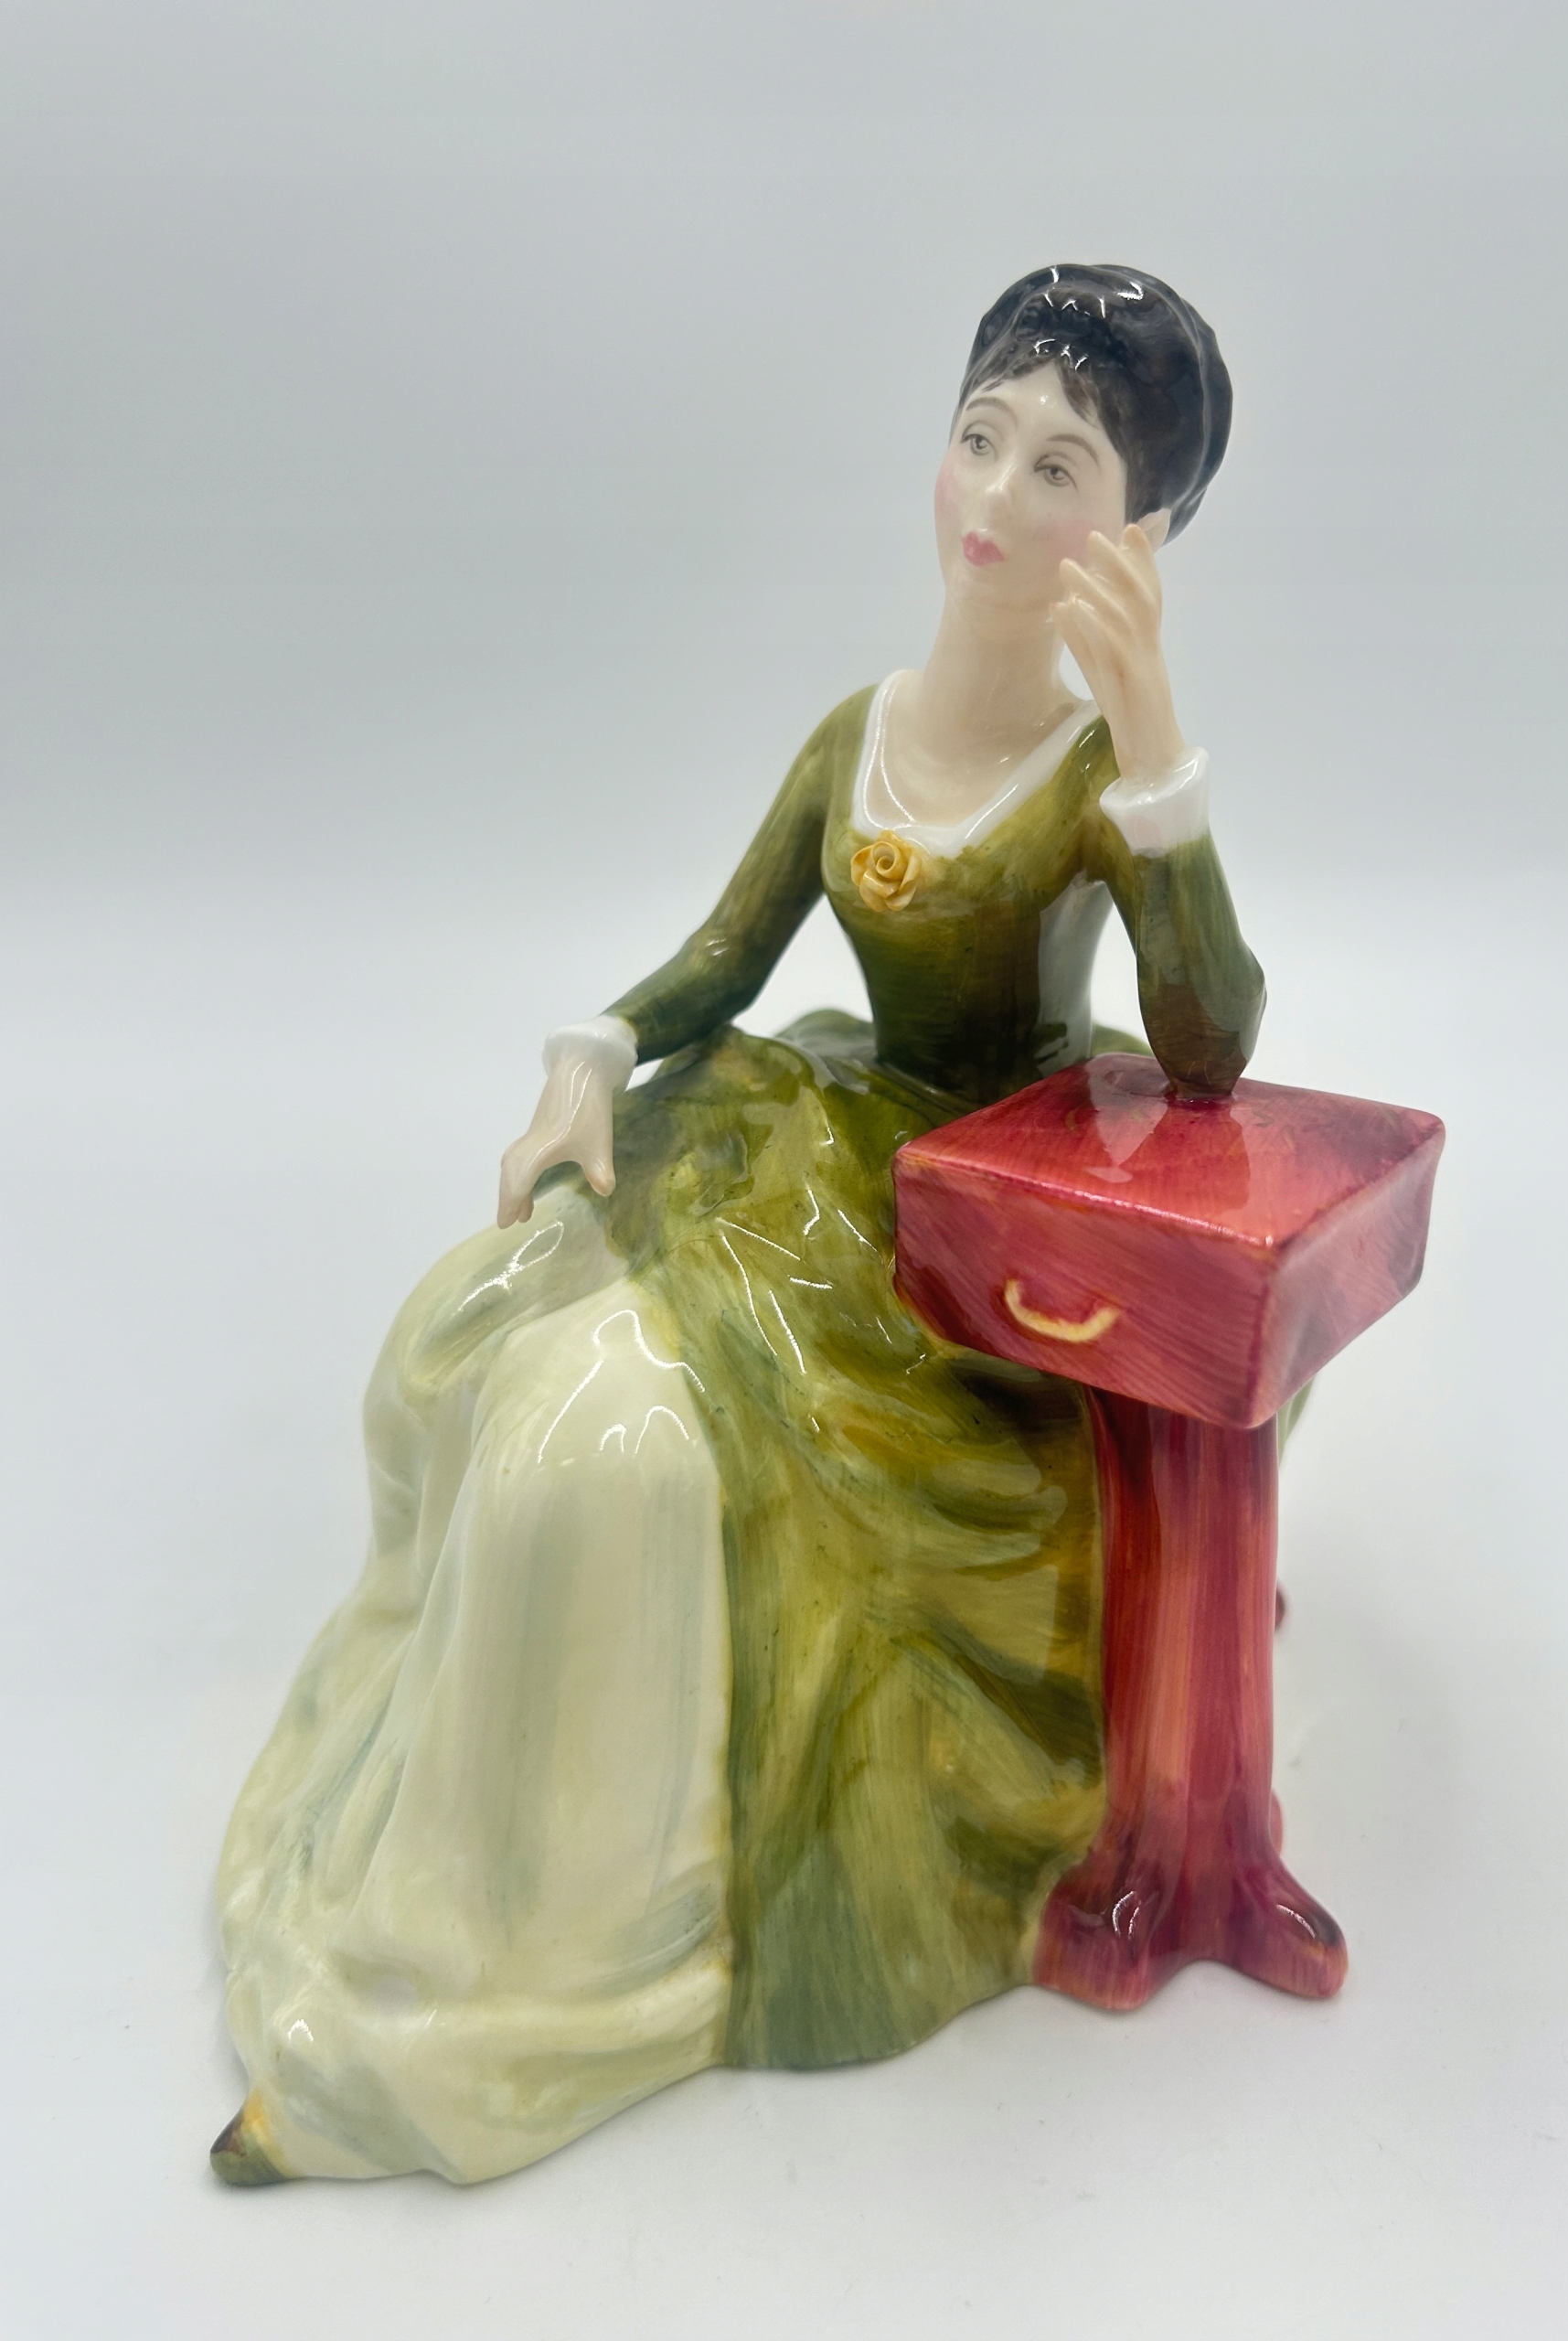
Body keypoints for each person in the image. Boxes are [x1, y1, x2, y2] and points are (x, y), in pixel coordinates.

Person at [211, 263, 1264, 2186]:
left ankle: (554, 1948)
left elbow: (1209, 1049)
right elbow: (723, 957)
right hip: (796, 1133)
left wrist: (1158, 746)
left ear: (1140, 535)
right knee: (471, 1339)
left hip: (968, 1205)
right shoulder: (857, 732)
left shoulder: (1096, 782)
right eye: (979, 438)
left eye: (1060, 469)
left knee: (617, 1469)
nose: (996, 497)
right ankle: (418, 1877)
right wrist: (591, 1056)